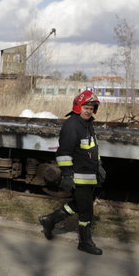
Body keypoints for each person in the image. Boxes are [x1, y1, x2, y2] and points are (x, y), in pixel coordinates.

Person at [39, 89, 105, 255]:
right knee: (86, 210)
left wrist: (99, 167)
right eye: (86, 107)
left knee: (80, 204)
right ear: (78, 107)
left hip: (89, 173)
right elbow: (63, 153)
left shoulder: (87, 124)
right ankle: (85, 242)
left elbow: (91, 149)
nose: (89, 111)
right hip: (79, 175)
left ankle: (50, 219)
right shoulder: (72, 125)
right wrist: (68, 175)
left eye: (92, 108)